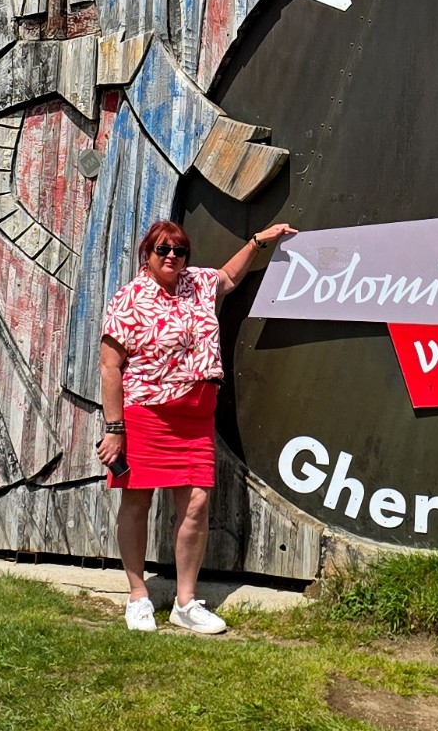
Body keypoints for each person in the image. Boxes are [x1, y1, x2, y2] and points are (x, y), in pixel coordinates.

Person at [96, 217, 296, 634]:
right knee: (136, 502)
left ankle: (185, 602)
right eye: (163, 250)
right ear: (147, 255)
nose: (172, 257)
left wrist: (259, 240)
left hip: (195, 416)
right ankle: (137, 596)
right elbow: (110, 367)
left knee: (196, 505)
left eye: (179, 250)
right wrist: (115, 429)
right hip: (147, 413)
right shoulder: (129, 299)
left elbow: (228, 277)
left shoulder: (197, 283)